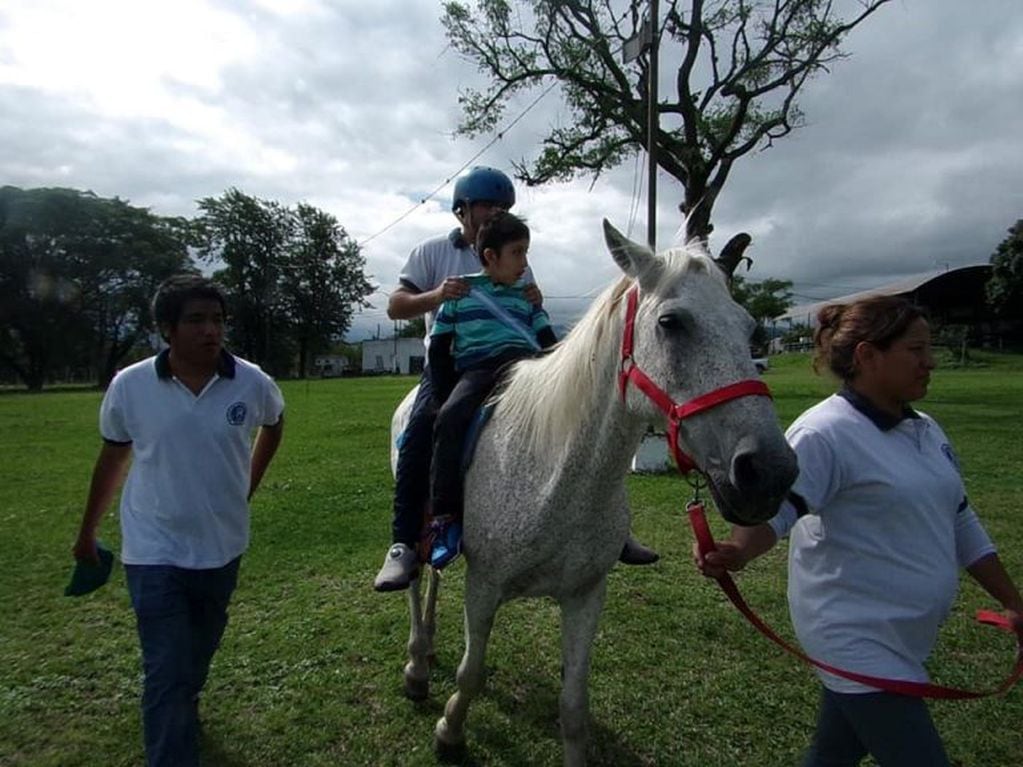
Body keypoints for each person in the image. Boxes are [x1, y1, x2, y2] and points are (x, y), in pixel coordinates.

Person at [694, 295, 1023, 767]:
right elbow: (780, 512)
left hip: (905, 637)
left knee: (834, 754)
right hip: (854, 637)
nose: (930, 362)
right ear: (869, 356)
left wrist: (1013, 601)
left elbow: (960, 520)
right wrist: (737, 551)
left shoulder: (927, 430)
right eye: (916, 350)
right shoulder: (824, 434)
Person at [374, 166, 657, 592]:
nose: (497, 212)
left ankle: (611, 527)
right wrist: (439, 296)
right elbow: (397, 306)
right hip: (452, 360)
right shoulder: (431, 252)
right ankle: (404, 543)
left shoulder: (515, 253)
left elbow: (529, 312)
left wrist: (536, 304)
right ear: (462, 210)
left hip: (517, 359)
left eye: (504, 206)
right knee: (423, 429)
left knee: (587, 421)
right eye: (489, 204)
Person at [71, 275, 285, 767]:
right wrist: (86, 533)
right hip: (152, 549)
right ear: (166, 329)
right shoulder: (130, 386)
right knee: (166, 667)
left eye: (217, 320)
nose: (211, 330)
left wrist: (246, 484)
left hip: (222, 545)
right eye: (196, 320)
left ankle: (182, 705)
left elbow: (274, 425)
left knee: (197, 651)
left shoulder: (251, 381)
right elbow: (112, 459)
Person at [427, 212, 557, 567]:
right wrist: (442, 399)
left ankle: (603, 516)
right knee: (450, 419)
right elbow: (439, 348)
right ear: (490, 256)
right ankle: (446, 521)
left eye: (526, 252)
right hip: (479, 370)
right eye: (517, 252)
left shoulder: (526, 297)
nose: (524, 263)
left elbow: (547, 341)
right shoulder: (460, 292)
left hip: (526, 367)